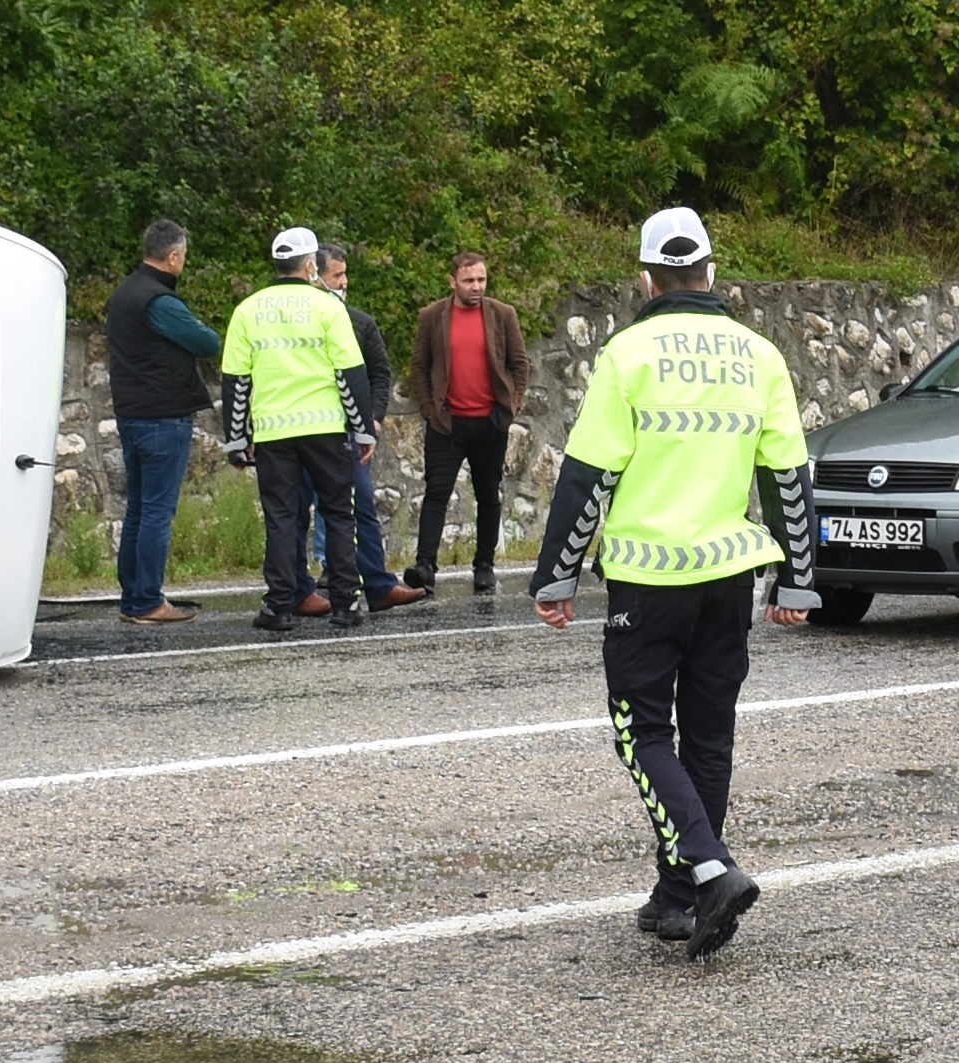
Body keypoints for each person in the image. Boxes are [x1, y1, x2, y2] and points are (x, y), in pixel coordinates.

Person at [530, 208, 817, 956]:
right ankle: (678, 894)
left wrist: (558, 575)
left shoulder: (628, 354)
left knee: (643, 734)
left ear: (647, 277)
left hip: (648, 577)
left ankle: (713, 870)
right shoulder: (760, 355)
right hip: (730, 577)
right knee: (710, 735)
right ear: (713, 272)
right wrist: (799, 581)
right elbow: (786, 475)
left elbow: (591, 475)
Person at [221, 228, 374, 631]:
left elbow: (236, 380)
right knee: (339, 513)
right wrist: (362, 429)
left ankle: (279, 606)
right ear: (311, 265)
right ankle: (345, 603)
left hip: (273, 432)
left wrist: (237, 440)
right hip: (325, 428)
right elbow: (350, 373)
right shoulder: (327, 307)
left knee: (282, 518)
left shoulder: (248, 310)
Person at [99, 221, 214, 626]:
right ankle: (148, 600)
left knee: (138, 510)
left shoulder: (123, 293)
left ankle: (133, 597)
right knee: (157, 513)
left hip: (132, 415)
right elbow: (206, 342)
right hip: (163, 417)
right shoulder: (159, 301)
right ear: (174, 256)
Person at [408, 253, 530, 595]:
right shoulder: (432, 317)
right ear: (453, 282)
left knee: (489, 496)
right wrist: (431, 410)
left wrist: (511, 407)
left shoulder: (502, 315)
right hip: (448, 423)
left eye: (481, 280)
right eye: (469, 280)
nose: (476, 287)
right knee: (436, 493)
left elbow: (519, 364)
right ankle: (425, 566)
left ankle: (484, 566)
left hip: (490, 423)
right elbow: (419, 367)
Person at [318, 244, 425, 612]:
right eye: (337, 276)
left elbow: (380, 374)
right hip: (306, 430)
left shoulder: (360, 323)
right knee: (298, 509)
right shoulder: (302, 324)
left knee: (361, 504)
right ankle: (307, 587)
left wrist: (374, 418)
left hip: (349, 431)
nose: (344, 283)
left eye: (345, 275)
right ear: (314, 276)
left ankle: (377, 584)